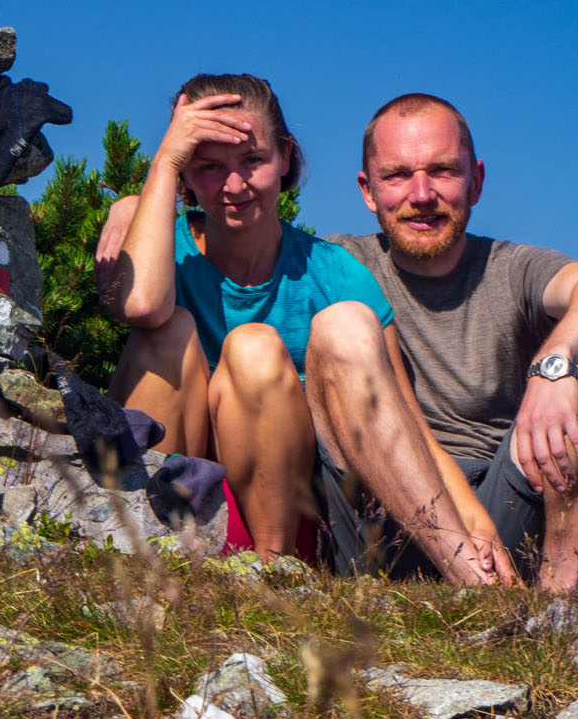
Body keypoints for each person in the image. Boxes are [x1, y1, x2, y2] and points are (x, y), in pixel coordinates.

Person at [99, 75, 509, 586]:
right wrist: (160, 168)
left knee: (253, 349)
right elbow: (142, 305)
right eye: (207, 167)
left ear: (286, 157)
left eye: (252, 160)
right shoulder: (159, 248)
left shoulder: (334, 274)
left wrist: (473, 519)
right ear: (185, 173)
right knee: (167, 329)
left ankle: (273, 580)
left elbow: (403, 423)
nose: (234, 185)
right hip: (167, 503)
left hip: (278, 514)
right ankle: (145, 555)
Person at [326, 93, 578, 590]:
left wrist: (554, 363)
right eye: (397, 176)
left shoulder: (513, 269)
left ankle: (557, 599)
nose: (421, 194)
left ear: (476, 181)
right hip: (375, 524)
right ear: (368, 191)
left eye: (442, 171)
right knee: (338, 327)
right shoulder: (333, 264)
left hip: (505, 514)